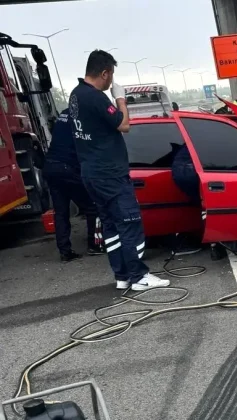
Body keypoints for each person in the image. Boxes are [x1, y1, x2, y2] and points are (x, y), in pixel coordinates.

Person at [69, 50, 169, 291]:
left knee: (111, 226)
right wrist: (121, 99)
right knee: (130, 222)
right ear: (104, 73)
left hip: (91, 173)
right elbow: (124, 125)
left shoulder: (75, 95)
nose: (111, 82)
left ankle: (122, 276)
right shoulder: (94, 97)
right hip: (110, 174)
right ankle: (139, 276)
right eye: (110, 76)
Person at [42, 108, 105, 262]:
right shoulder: (84, 116)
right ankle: (95, 245)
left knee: (61, 212)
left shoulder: (64, 113)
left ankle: (65, 252)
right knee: (92, 206)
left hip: (50, 166)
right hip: (67, 168)